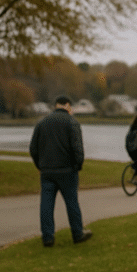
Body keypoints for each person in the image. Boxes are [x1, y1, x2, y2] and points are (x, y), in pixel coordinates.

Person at [29, 95, 92, 246]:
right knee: (72, 203)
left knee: (46, 204)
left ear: (56, 105)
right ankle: (77, 233)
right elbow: (78, 149)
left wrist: (40, 165)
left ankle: (48, 237)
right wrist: (78, 165)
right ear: (68, 106)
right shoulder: (72, 122)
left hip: (47, 171)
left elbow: (33, 148)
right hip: (67, 170)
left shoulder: (42, 123)